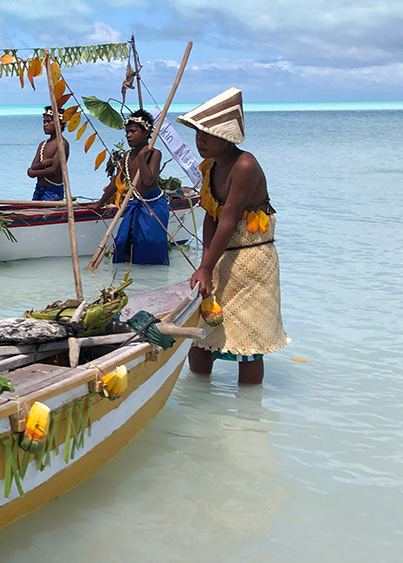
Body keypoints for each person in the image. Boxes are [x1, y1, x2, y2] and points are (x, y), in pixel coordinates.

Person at [179, 88, 289, 384]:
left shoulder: (245, 165)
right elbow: (211, 217)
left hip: (253, 260)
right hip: (220, 254)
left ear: (225, 136)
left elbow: (229, 220)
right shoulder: (211, 166)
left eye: (206, 134)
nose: (199, 140)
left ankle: (249, 417)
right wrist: (205, 265)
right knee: (201, 335)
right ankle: (199, 399)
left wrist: (205, 267)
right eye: (197, 134)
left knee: (248, 342)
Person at [99, 110, 170, 265]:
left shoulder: (154, 154)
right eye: (127, 132)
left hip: (154, 207)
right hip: (136, 205)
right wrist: (99, 204)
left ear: (146, 133)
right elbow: (115, 183)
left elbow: (148, 180)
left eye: (133, 131)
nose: (128, 135)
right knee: (122, 243)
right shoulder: (126, 157)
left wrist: (141, 158)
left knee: (149, 250)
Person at [27, 105, 69, 201]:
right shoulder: (43, 144)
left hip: (52, 191)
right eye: (44, 122)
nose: (45, 125)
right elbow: (33, 165)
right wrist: (43, 163)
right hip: (39, 189)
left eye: (49, 122)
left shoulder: (62, 144)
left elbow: (54, 169)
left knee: (48, 214)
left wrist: (33, 173)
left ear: (60, 124)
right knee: (35, 213)